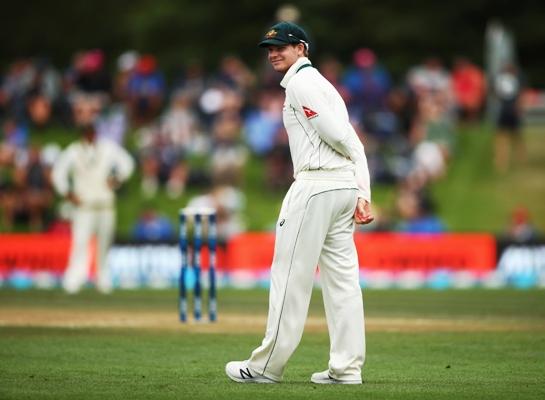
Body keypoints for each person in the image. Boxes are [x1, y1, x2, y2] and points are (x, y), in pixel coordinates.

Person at [225, 21, 374, 385]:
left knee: (290, 276)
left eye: (283, 47)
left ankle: (265, 367)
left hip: (317, 185)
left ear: (302, 49)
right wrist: (361, 189)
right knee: (343, 282)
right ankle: (346, 368)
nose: (274, 53)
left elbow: (343, 137)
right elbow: (350, 141)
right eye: (270, 48)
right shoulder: (323, 84)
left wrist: (364, 188)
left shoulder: (302, 84)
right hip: (340, 188)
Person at [51, 124, 134, 293]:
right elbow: (58, 173)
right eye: (87, 133)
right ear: (82, 134)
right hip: (84, 206)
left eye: (93, 132)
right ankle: (74, 279)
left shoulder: (108, 147)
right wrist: (67, 192)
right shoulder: (73, 151)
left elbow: (127, 163)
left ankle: (103, 279)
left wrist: (117, 178)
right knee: (80, 243)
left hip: (105, 205)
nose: (91, 135)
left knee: (104, 244)